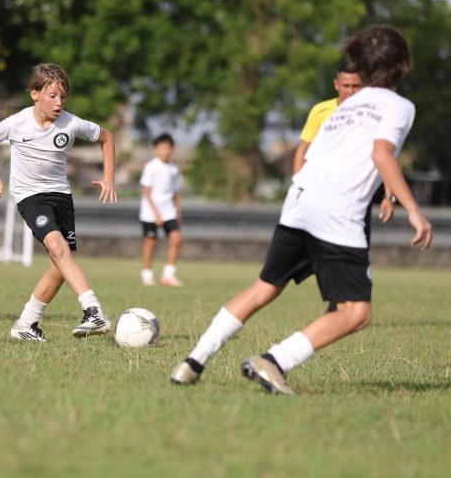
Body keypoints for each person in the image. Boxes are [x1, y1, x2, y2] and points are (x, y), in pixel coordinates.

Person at [169, 25, 432, 394]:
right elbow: (381, 154)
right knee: (356, 312)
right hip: (337, 213)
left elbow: (316, 154)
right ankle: (274, 361)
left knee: (264, 288)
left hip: (299, 201)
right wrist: (414, 210)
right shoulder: (400, 106)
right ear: (402, 64)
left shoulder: (345, 105)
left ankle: (192, 361)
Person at [0, 63, 118, 342]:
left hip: (61, 196)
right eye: (52, 96)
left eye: (63, 97)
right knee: (57, 246)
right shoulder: (16, 123)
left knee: (61, 264)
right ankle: (93, 310)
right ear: (34, 93)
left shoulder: (72, 122)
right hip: (30, 196)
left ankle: (26, 324)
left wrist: (109, 178)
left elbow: (107, 138)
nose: (59, 103)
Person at [294, 60, 396, 224]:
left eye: (356, 86)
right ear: (336, 85)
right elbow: (302, 151)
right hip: (321, 192)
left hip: (357, 195)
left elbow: (384, 157)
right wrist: (297, 189)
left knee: (355, 246)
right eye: (346, 86)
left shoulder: (374, 115)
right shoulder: (320, 111)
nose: (350, 91)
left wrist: (389, 197)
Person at [139, 133, 183, 286]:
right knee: (151, 243)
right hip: (151, 212)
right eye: (162, 148)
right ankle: (147, 275)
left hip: (168, 210)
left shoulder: (173, 168)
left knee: (176, 239)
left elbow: (175, 192)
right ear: (156, 150)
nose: (166, 151)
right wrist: (156, 214)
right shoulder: (151, 167)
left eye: (168, 148)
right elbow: (146, 192)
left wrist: (178, 211)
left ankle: (168, 275)